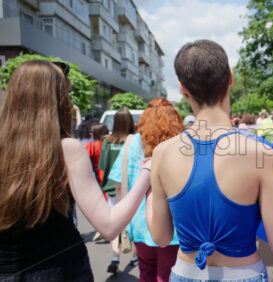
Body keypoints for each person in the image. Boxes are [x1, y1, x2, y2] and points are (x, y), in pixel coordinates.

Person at [146, 40, 273, 281]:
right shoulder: (260, 154)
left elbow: (161, 237)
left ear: (183, 89)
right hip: (244, 274)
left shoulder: (162, 154)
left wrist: (151, 191)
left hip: (184, 273)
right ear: (230, 78)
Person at [0, 60, 151, 281]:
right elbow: (109, 226)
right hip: (60, 270)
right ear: (57, 100)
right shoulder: (66, 149)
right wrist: (146, 174)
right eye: (66, 94)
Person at [109, 98, 184, 281]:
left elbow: (120, 185)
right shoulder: (182, 143)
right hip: (175, 225)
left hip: (140, 224)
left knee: (146, 272)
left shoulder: (132, 143)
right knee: (168, 275)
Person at [99, 108, 136, 274]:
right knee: (132, 222)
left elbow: (102, 166)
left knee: (115, 223)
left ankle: (115, 257)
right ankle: (135, 254)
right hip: (131, 189)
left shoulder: (107, 141)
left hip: (111, 188)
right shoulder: (135, 140)